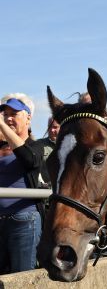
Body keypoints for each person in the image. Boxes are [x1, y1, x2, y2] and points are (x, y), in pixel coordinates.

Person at [0, 95, 44, 274]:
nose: (9, 118)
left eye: (14, 114)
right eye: (6, 114)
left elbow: (29, 160)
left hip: (24, 221)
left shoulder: (36, 146)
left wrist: (2, 125)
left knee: (21, 278)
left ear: (28, 117)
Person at [33, 116, 60, 187]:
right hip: (45, 191)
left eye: (55, 127)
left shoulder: (71, 146)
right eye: (49, 127)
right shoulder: (38, 145)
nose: (51, 130)